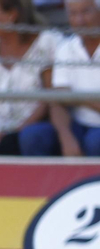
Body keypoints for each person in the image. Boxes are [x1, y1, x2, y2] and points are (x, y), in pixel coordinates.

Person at [0, 0, 64, 154]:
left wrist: (15, 132)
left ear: (11, 15)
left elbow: (50, 98)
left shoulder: (47, 42)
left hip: (35, 128)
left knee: (21, 141)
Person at [47, 0, 100, 156]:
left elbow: (64, 94)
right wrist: (66, 137)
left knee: (95, 141)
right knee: (35, 137)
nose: (79, 20)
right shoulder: (66, 48)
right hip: (76, 123)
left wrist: (75, 96)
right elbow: (57, 100)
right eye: (73, 13)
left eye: (86, 12)